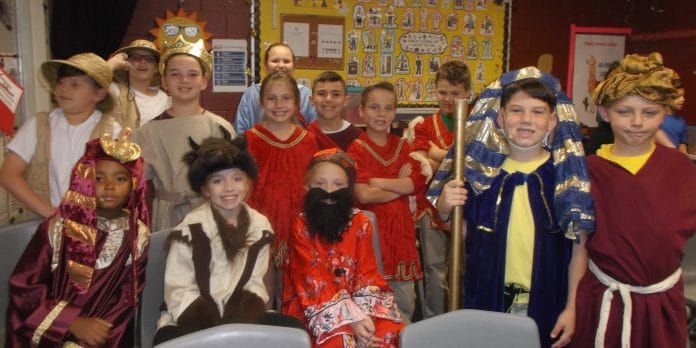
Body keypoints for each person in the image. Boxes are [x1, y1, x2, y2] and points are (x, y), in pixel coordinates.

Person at [435, 68, 595, 348]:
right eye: (517, 110)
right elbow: (465, 234)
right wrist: (445, 211)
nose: (526, 120)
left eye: (537, 112)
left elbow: (579, 248)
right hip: (488, 296)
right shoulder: (481, 176)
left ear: (553, 120)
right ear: (500, 117)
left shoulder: (564, 177)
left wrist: (572, 307)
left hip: (547, 298)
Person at [571, 53, 696, 348]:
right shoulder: (589, 171)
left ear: (665, 112)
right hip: (603, 301)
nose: (637, 123)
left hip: (663, 305)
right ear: (604, 111)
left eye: (650, 113)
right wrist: (572, 306)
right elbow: (578, 248)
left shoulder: (681, 169)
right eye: (625, 111)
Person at [153, 131, 303, 344]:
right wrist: (215, 331)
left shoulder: (260, 226)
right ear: (204, 189)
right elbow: (179, 289)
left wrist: (237, 323)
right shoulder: (190, 230)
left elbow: (254, 283)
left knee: (294, 331)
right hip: (191, 317)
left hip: (241, 314)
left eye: (237, 178)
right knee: (166, 341)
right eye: (217, 181)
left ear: (247, 182)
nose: (229, 188)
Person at [5, 129, 150, 347]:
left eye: (120, 178)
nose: (109, 186)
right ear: (85, 181)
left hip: (104, 335)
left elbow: (126, 299)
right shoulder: (58, 228)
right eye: (98, 178)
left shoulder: (138, 236)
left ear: (133, 185)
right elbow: (24, 286)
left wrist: (92, 338)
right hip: (51, 333)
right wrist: (70, 322)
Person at [283, 149, 404, 347]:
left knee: (389, 334)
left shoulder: (361, 222)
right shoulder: (300, 225)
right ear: (306, 186)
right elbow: (312, 279)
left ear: (349, 189)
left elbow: (368, 274)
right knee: (340, 341)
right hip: (312, 306)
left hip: (360, 302)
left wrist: (364, 319)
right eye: (319, 184)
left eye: (338, 184)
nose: (329, 191)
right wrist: (351, 320)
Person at [132, 35, 235, 232]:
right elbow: (139, 190)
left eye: (193, 74)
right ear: (164, 81)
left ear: (204, 81)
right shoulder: (147, 133)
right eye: (175, 74)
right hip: (166, 219)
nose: (184, 80)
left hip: (211, 215)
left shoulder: (219, 128)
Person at [0, 52, 119, 218]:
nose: (63, 88)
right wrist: (51, 214)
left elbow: (119, 184)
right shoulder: (39, 125)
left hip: (93, 225)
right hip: (42, 222)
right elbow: (9, 174)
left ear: (99, 94)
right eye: (60, 82)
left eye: (75, 84)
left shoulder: (112, 130)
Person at [346, 82, 427, 323]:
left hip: (401, 240)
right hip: (371, 240)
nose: (381, 114)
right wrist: (398, 185)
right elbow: (363, 195)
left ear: (394, 112)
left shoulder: (404, 146)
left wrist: (376, 181)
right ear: (362, 112)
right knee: (371, 309)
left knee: (404, 307)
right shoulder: (356, 149)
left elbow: (413, 184)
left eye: (388, 108)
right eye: (374, 107)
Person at [245, 71, 319, 304]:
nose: (279, 105)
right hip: (260, 226)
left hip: (297, 226)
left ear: (297, 102)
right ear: (261, 101)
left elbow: (314, 184)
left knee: (293, 290)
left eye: (286, 98)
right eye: (272, 98)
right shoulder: (251, 138)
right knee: (262, 290)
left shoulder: (307, 140)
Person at [406, 60, 471, 318]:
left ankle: (465, 319)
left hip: (469, 206)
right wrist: (453, 159)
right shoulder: (423, 125)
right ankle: (436, 321)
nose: (448, 98)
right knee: (435, 268)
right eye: (442, 92)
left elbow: (474, 164)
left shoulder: (477, 124)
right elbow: (422, 165)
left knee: (468, 265)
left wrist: (438, 153)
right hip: (430, 207)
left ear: (467, 92)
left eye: (455, 93)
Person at [234, 43, 317, 134]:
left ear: (293, 65)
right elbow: (241, 130)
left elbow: (314, 129)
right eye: (275, 61)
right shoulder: (252, 93)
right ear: (265, 64)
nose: (281, 65)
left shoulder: (307, 94)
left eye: (286, 61)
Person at [106, 39, 171, 128]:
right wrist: (111, 64)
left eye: (149, 59)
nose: (143, 62)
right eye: (136, 57)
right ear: (126, 64)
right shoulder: (111, 90)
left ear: (156, 68)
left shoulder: (164, 100)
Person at [307, 71, 362, 151]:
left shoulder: (358, 136)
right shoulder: (305, 136)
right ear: (311, 100)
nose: (328, 99)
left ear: (346, 101)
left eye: (336, 94)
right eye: (321, 94)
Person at [655, 74, 689, 154]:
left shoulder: (682, 122)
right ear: (667, 97)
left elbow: (682, 143)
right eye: (678, 96)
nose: (683, 99)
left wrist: (683, 154)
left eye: (683, 96)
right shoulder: (655, 117)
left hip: (674, 160)